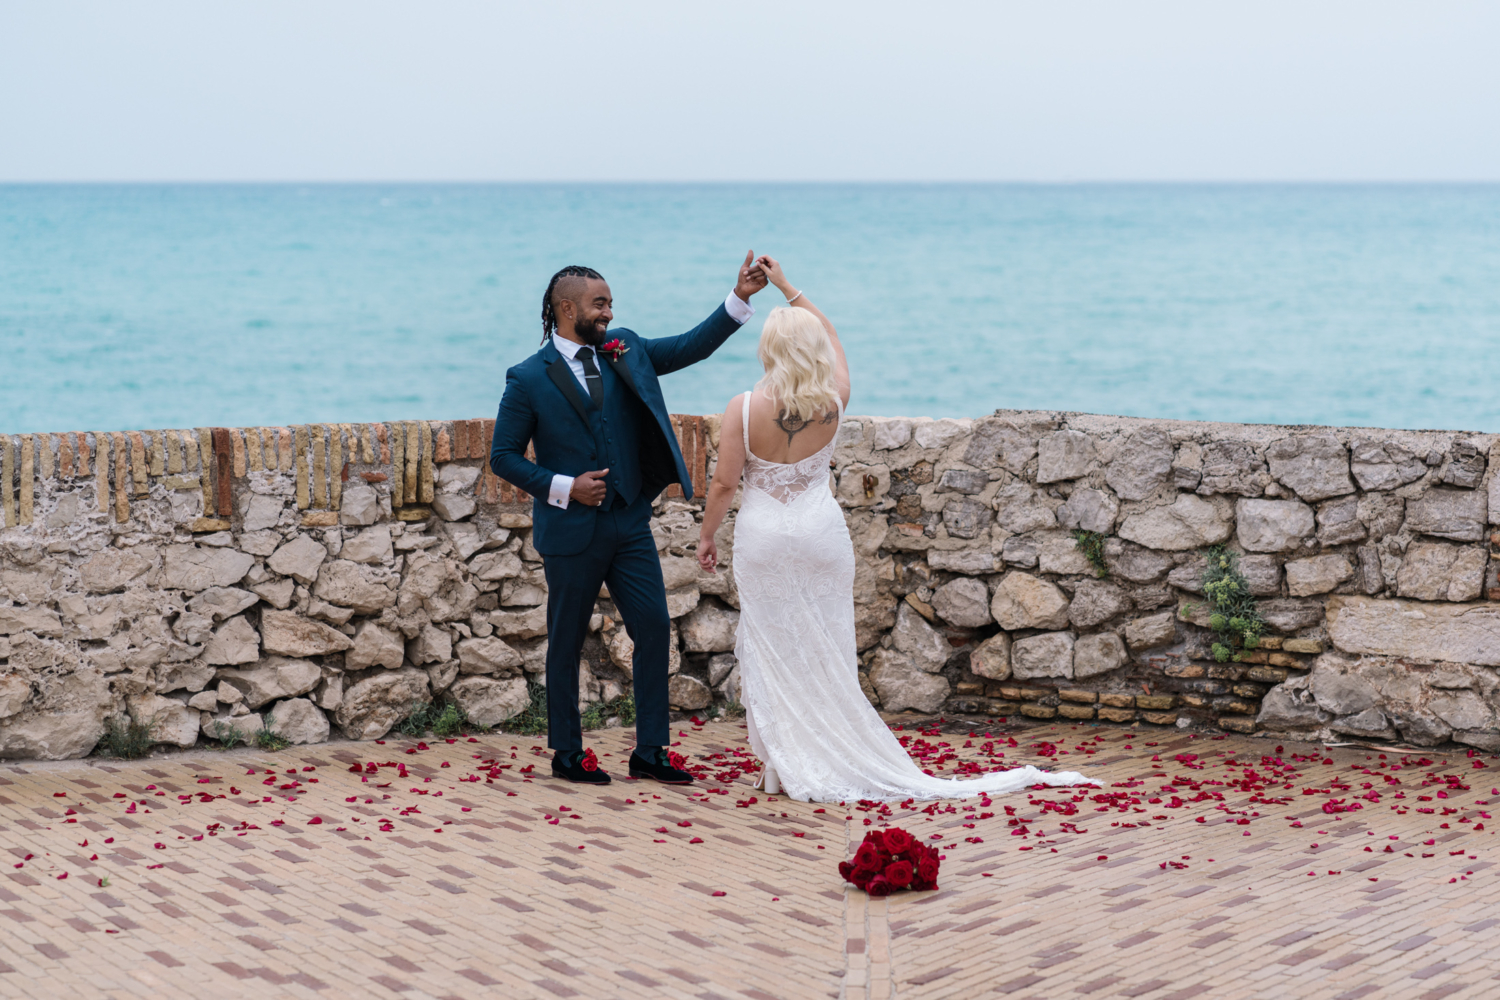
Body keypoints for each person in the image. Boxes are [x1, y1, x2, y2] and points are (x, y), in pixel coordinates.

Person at [696, 257, 1092, 802]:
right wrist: (788, 286)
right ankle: (821, 752)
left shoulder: (742, 409)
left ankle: (784, 766)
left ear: (768, 348)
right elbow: (830, 334)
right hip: (820, 533)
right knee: (828, 648)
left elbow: (721, 486)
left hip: (764, 537)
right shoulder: (834, 399)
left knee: (773, 645)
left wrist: (707, 537)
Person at [491, 253, 768, 784]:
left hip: (629, 522)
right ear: (567, 308)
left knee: (654, 626)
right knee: (567, 638)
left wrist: (741, 298)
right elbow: (502, 456)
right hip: (571, 530)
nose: (609, 312)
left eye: (611, 304)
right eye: (600, 304)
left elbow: (689, 347)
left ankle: (650, 750)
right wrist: (565, 487)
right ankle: (567, 754)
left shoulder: (625, 349)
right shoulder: (527, 378)